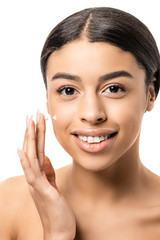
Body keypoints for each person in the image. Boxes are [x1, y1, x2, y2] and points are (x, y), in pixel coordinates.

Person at [0, 6, 160, 240]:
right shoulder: (8, 205)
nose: (92, 113)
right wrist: (57, 234)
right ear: (48, 99)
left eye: (113, 89)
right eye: (68, 90)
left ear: (150, 94)